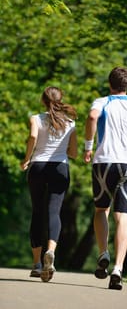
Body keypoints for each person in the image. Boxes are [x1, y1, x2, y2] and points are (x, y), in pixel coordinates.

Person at [84, 67, 127, 290]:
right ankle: (118, 267)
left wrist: (88, 147)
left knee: (100, 210)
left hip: (104, 162)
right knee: (123, 216)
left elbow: (93, 116)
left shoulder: (102, 101)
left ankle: (103, 252)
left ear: (110, 83)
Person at [20, 86, 77, 282]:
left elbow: (33, 137)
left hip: (37, 166)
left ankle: (36, 264)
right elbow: (74, 153)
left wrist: (27, 158)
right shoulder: (70, 123)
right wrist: (61, 148)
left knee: (37, 211)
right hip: (60, 168)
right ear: (61, 100)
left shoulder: (35, 118)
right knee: (54, 212)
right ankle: (50, 252)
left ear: (43, 100)